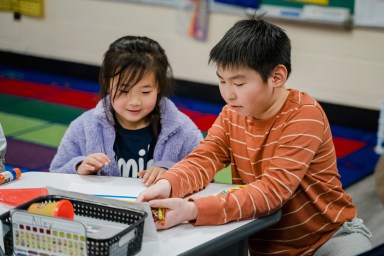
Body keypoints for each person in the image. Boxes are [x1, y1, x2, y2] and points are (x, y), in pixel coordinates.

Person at [137, 17, 373, 255]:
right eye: (221, 81)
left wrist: (192, 209)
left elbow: (272, 192)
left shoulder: (304, 115)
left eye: (238, 84)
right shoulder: (232, 114)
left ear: (277, 77)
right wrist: (169, 184)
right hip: (264, 246)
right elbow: (204, 158)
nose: (228, 94)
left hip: (328, 240)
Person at [50, 36, 203, 186]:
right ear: (107, 84)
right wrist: (78, 167)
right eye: (123, 91)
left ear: (159, 88)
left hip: (158, 211)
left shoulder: (183, 131)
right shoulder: (84, 127)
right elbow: (55, 174)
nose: (134, 102)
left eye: (145, 92)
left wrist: (171, 173)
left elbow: (203, 177)